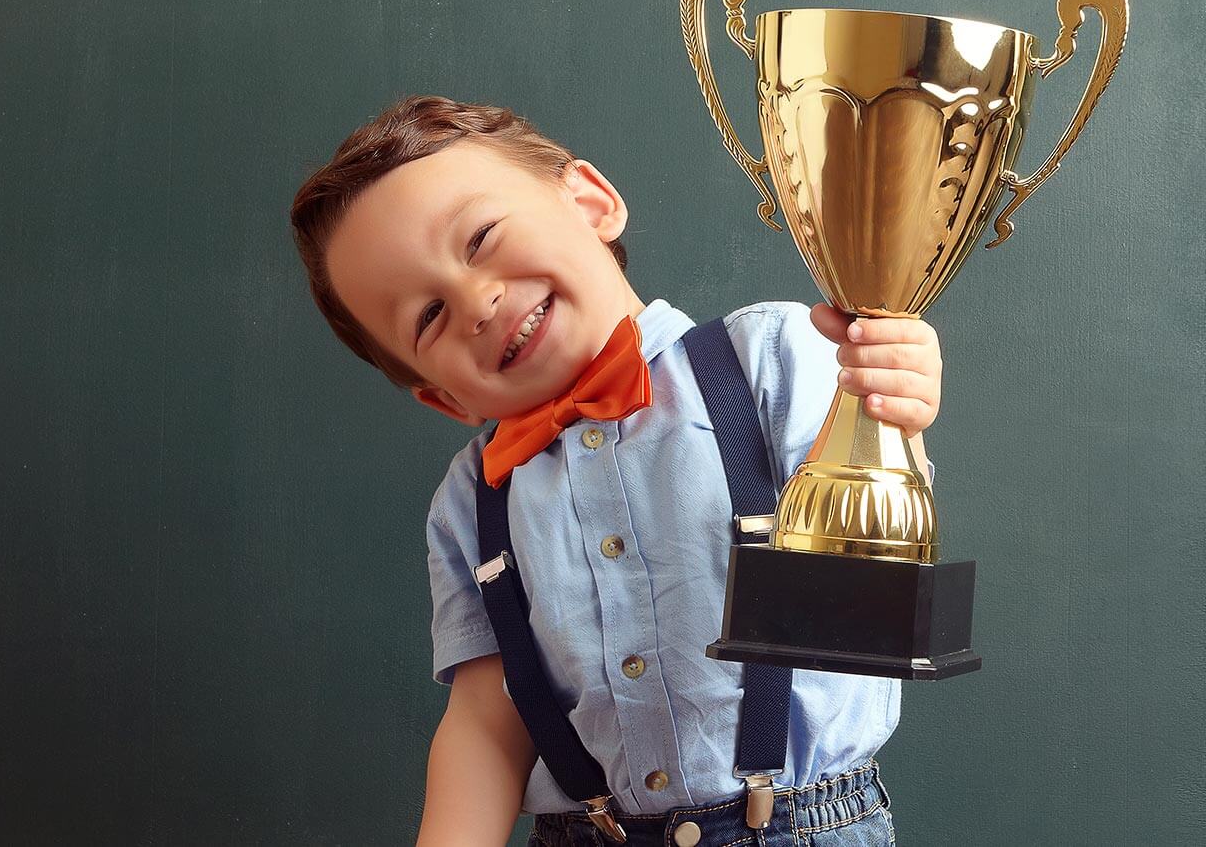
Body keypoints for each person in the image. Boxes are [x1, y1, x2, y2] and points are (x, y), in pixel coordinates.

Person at [289, 94, 943, 846]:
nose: (476, 301)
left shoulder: (773, 359)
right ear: (445, 399)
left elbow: (873, 623)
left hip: (798, 825)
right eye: (428, 316)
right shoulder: (473, 503)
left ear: (590, 203)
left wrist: (892, 422)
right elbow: (485, 723)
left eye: (480, 238)